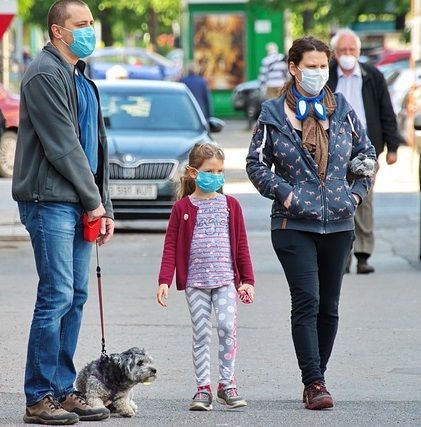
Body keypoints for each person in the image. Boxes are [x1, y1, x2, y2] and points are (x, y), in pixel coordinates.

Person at [246, 36, 376, 410]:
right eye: (311, 66)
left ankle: (317, 375)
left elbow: (366, 155)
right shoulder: (272, 113)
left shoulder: (342, 110)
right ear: (294, 68)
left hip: (338, 223)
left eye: (323, 66)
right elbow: (255, 164)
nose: (318, 72)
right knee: (308, 299)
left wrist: (353, 195)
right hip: (292, 224)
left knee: (330, 306)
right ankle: (314, 382)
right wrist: (284, 193)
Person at [12, 0, 114, 424]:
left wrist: (103, 205)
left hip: (78, 200)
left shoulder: (81, 78)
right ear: (58, 31)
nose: (91, 29)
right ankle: (38, 398)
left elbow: (98, 149)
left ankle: (60, 390)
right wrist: (92, 201)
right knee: (56, 296)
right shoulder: (44, 74)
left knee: (76, 296)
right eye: (82, 24)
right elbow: (63, 147)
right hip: (48, 201)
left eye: (91, 22)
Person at [157, 142, 255, 411]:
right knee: (201, 333)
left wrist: (247, 279)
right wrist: (164, 280)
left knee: (225, 327)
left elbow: (242, 245)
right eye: (210, 170)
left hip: (225, 281)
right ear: (192, 172)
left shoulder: (231, 206)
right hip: (195, 283)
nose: (216, 176)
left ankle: (227, 384)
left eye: (220, 171)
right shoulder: (182, 208)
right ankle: (203, 388)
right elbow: (170, 246)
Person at [327, 28, 403, 274]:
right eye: (343, 51)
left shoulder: (372, 75)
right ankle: (342, 255)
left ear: (358, 52)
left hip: (366, 147)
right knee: (337, 199)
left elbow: (386, 112)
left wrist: (392, 147)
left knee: (364, 200)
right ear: (335, 53)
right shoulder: (327, 74)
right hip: (333, 148)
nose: (347, 54)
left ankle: (362, 253)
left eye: (352, 50)